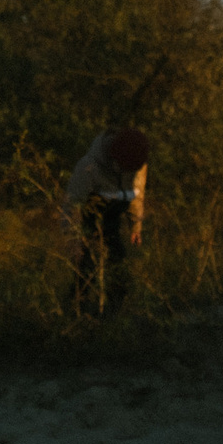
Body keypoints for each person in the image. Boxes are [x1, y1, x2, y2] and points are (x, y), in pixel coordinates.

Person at [64, 126, 149, 312]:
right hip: (88, 220)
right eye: (128, 167)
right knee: (85, 271)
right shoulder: (88, 168)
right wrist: (75, 243)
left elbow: (136, 193)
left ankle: (113, 315)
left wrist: (136, 226)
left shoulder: (138, 162)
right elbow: (72, 207)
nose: (134, 170)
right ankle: (77, 315)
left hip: (112, 219)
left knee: (119, 267)